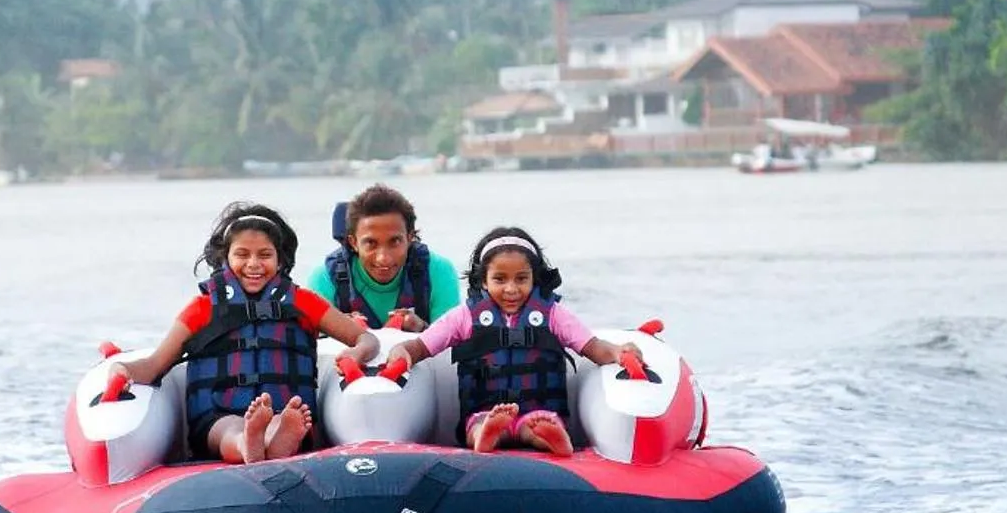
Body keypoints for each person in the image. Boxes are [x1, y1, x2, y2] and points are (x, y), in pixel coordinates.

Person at [110, 202, 377, 464]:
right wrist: (124, 370)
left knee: (278, 419)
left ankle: (276, 436)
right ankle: (249, 442)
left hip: (285, 413)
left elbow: (366, 339)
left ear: (280, 259)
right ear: (225, 258)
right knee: (230, 429)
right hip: (217, 419)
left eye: (264, 255)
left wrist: (357, 352)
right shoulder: (201, 309)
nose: (253, 264)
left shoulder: (303, 302)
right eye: (242, 254)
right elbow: (156, 364)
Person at [381, 225, 641, 457]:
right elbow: (422, 346)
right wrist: (402, 352)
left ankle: (552, 439)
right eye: (499, 279)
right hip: (484, 412)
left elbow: (595, 348)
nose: (511, 289)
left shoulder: (553, 315)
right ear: (483, 280)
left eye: (521, 279)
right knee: (479, 425)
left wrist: (619, 352)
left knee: (538, 424)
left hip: (539, 411)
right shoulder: (464, 317)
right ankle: (487, 437)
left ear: (534, 278)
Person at [303, 183, 464, 333]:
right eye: (371, 243)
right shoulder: (324, 279)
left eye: (395, 241)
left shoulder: (438, 272)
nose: (383, 258)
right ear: (353, 243)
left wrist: (422, 328)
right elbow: (309, 347)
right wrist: (340, 329)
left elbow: (451, 347)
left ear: (410, 238)